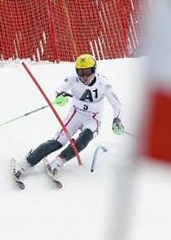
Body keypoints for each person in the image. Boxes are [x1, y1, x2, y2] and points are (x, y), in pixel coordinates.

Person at [11, 54, 124, 183]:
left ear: (94, 70)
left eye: (87, 72)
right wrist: (60, 97)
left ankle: (58, 162)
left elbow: (117, 104)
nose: (84, 77)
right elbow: (59, 90)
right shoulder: (72, 79)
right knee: (57, 142)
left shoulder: (103, 83)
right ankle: (24, 164)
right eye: (81, 72)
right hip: (75, 115)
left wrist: (117, 120)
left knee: (84, 139)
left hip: (93, 118)